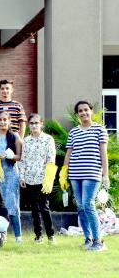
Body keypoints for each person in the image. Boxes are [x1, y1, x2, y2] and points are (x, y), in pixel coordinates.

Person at [60, 101, 110, 251]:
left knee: (88, 205)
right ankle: (88, 239)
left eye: (86, 110)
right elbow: (69, 153)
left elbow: (104, 154)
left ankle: (98, 241)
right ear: (77, 115)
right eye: (80, 111)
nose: (83, 113)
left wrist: (105, 175)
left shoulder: (99, 129)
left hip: (92, 173)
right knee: (81, 207)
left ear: (91, 111)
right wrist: (64, 173)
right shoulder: (74, 132)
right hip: (75, 174)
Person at [18, 113, 57, 244]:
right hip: (29, 179)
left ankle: (51, 235)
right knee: (34, 209)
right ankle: (38, 235)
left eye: (37, 123)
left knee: (44, 207)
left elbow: (51, 159)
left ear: (41, 124)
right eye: (32, 123)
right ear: (29, 125)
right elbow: (22, 160)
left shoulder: (48, 139)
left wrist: (49, 179)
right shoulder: (26, 141)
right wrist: (22, 177)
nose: (34, 125)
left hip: (43, 179)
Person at [0, 111, 23, 243]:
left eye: (5, 120)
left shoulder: (15, 137)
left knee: (12, 204)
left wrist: (9, 156)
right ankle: (2, 233)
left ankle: (18, 235)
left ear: (9, 122)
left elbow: (19, 156)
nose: (2, 122)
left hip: (11, 174)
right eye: (0, 120)